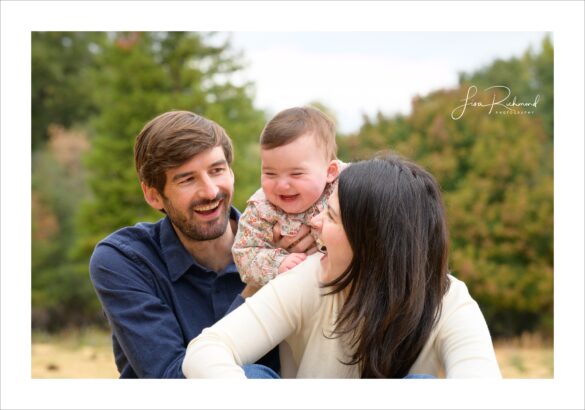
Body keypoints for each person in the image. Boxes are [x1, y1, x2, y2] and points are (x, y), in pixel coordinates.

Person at [182, 153, 503, 378]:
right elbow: (207, 349)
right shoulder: (310, 276)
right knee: (252, 376)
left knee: (420, 387)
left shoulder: (448, 300)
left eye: (332, 216)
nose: (315, 222)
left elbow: (480, 390)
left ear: (371, 240)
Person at [89, 110, 313, 378]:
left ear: (231, 173)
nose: (210, 191)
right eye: (187, 179)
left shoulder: (296, 243)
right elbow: (171, 377)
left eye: (217, 170)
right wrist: (260, 278)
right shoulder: (124, 260)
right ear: (153, 195)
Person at [232, 106, 346, 286]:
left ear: (330, 172)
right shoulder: (262, 209)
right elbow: (244, 254)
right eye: (270, 174)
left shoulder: (346, 188)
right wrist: (277, 264)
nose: (282, 185)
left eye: (296, 174)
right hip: (298, 295)